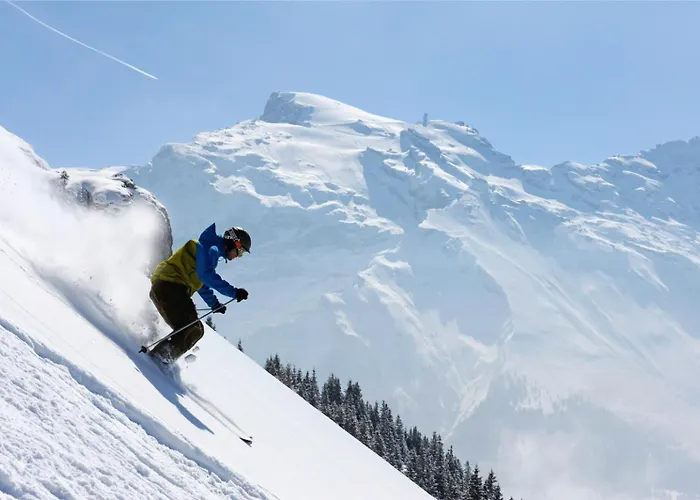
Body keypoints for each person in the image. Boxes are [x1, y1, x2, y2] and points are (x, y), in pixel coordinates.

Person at [148, 222, 250, 363]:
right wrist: (234, 292)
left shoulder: (208, 249)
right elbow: (205, 275)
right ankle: (158, 359)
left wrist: (214, 304)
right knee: (193, 328)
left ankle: (159, 357)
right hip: (170, 287)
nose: (238, 256)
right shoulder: (211, 249)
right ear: (234, 243)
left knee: (193, 328)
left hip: (165, 288)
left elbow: (201, 284)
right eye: (240, 252)